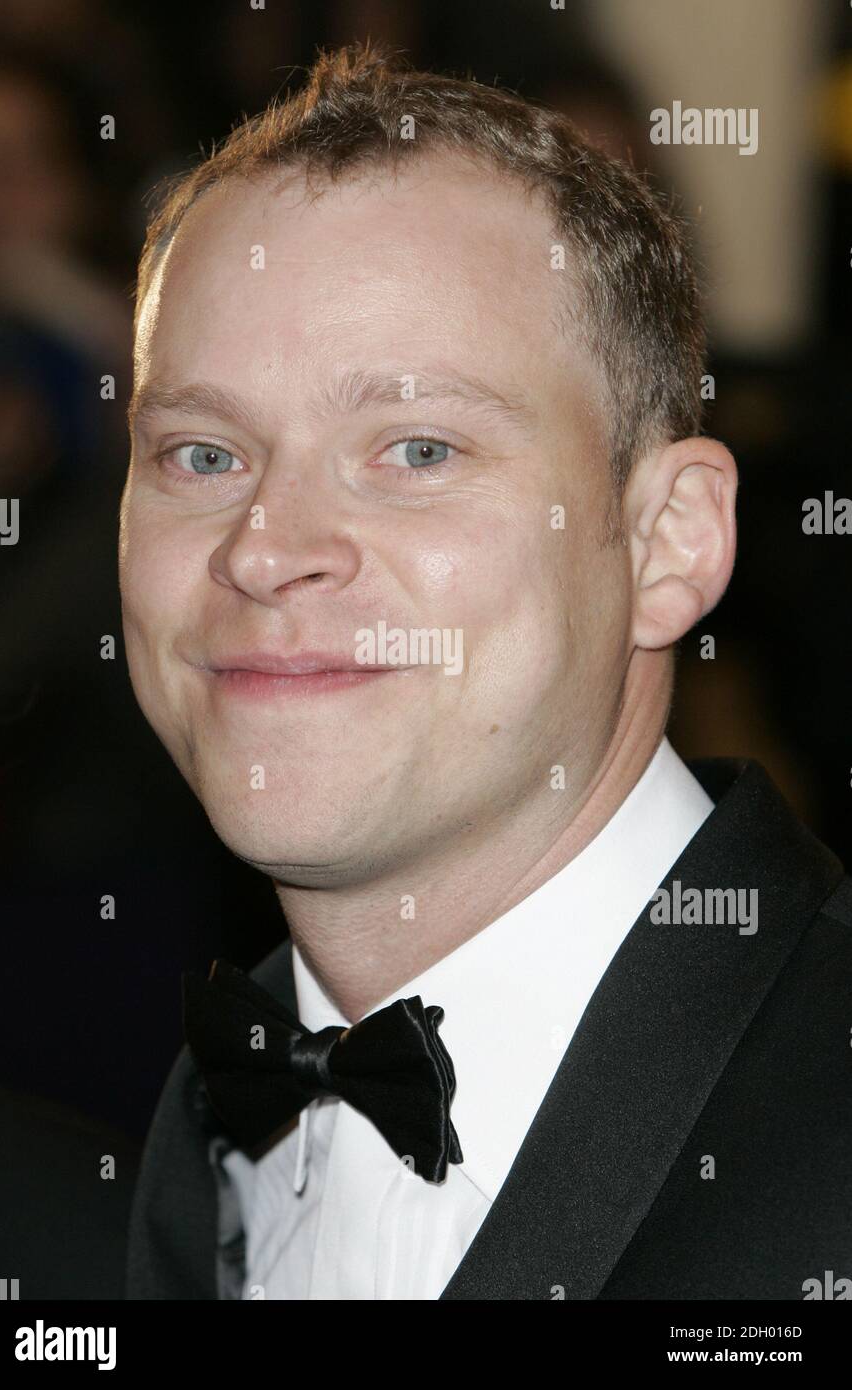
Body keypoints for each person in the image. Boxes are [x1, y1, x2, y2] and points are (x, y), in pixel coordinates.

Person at [119, 41, 852, 1300]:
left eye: (415, 447)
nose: (266, 549)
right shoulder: (178, 1140)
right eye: (201, 454)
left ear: (667, 541)